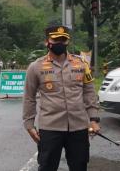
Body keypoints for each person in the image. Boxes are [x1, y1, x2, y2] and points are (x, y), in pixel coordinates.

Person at [22, 25, 100, 171]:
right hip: (50, 127)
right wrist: (29, 125)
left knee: (79, 166)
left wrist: (94, 119)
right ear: (47, 42)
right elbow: (29, 98)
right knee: (47, 167)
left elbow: (89, 92)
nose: (60, 43)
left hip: (78, 127)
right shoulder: (35, 67)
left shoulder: (81, 64)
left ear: (68, 42)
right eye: (55, 39)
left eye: (63, 40)